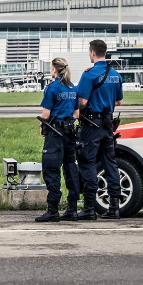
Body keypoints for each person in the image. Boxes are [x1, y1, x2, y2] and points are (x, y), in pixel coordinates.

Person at [75, 39, 124, 220]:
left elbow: (82, 102)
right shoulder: (115, 75)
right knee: (110, 163)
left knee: (87, 162)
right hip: (108, 124)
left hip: (92, 124)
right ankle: (114, 207)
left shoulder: (89, 74)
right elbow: (118, 102)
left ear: (93, 53)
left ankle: (89, 208)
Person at [34, 57, 81, 222]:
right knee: (70, 170)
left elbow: (46, 115)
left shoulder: (52, 88)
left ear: (54, 69)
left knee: (51, 170)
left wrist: (42, 127)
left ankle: (53, 210)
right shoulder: (73, 88)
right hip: (70, 133)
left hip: (55, 134)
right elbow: (76, 114)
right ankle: (73, 209)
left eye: (51, 67)